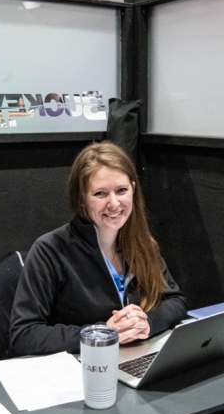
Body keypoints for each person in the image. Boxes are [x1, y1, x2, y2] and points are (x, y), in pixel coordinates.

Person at [11, 142, 187, 356]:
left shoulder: (142, 243)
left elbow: (175, 300)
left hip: (134, 359)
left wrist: (147, 323)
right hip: (81, 371)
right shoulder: (50, 250)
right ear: (82, 199)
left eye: (121, 190)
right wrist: (101, 334)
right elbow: (24, 335)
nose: (114, 203)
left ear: (133, 189)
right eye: (100, 194)